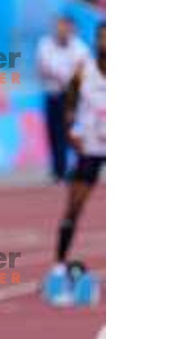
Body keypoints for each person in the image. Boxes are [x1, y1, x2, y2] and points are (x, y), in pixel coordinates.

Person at [55, 22, 106, 263]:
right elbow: (69, 101)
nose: (105, 43)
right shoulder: (84, 68)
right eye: (102, 38)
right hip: (91, 145)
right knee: (74, 206)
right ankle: (59, 264)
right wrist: (71, 130)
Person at [37, 16, 90, 182]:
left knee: (72, 133)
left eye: (65, 27)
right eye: (59, 27)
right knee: (54, 133)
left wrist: (68, 82)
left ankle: (79, 167)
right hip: (53, 94)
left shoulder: (79, 47)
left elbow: (82, 70)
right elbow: (44, 68)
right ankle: (58, 170)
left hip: (72, 96)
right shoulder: (45, 44)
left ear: (72, 29)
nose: (62, 31)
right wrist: (65, 78)